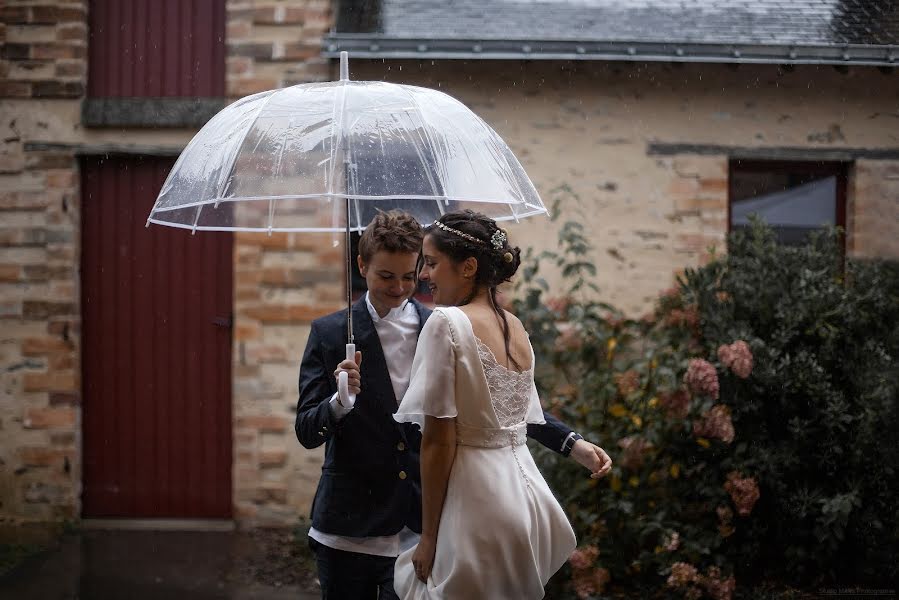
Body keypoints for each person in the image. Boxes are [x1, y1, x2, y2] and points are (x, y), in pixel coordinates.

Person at [295, 210, 611, 599]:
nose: (400, 288)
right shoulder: (328, 333)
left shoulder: (445, 323)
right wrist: (339, 402)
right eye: (385, 277)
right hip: (350, 526)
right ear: (362, 266)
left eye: (411, 275)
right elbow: (307, 431)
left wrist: (569, 441)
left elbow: (499, 401)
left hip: (422, 523)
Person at [392, 210, 609, 598]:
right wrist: (575, 445)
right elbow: (526, 416)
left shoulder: (446, 323)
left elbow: (438, 441)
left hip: (475, 500)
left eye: (432, 263)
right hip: (525, 500)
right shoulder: (515, 327)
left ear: (469, 267)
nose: (423, 274)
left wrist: (428, 537)